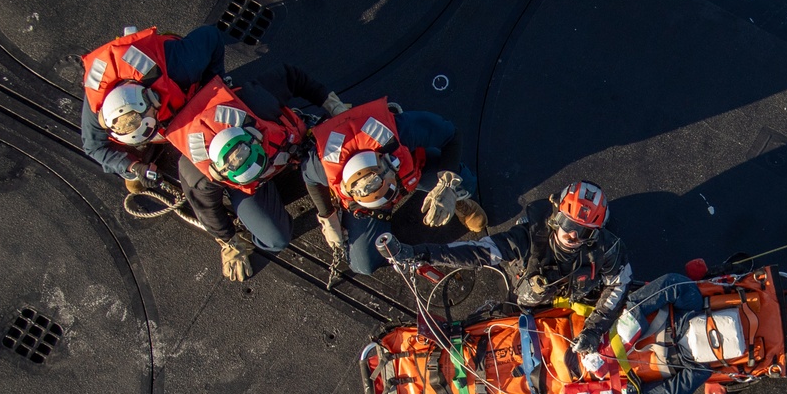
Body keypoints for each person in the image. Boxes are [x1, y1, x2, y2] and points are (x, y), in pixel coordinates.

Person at [385, 181, 631, 357]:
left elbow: (619, 283)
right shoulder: (527, 239)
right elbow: (475, 252)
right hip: (529, 299)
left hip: (577, 298)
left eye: (583, 231)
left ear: (594, 234)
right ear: (557, 215)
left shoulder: (606, 249)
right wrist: (420, 254)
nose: (572, 235)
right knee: (532, 292)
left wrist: (594, 330)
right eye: (567, 223)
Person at [164, 63, 351, 282]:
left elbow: (292, 75)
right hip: (250, 185)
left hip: (287, 149)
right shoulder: (201, 175)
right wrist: (228, 240)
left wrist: (332, 104)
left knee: (349, 155)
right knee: (275, 239)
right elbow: (206, 208)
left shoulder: (258, 101)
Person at [302, 100, 488, 276]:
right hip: (370, 202)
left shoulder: (402, 131)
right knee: (363, 264)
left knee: (465, 183)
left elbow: (452, 134)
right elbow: (309, 178)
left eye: (391, 195)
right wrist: (328, 218)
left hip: (409, 171)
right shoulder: (323, 163)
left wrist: (446, 185)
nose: (393, 200)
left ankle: (457, 202)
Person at [80, 25, 227, 193]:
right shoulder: (96, 104)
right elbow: (93, 147)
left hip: (168, 68)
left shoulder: (183, 67)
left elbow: (211, 35)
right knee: (135, 183)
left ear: (153, 99)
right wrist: (133, 167)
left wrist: (215, 83)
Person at [610, 273, 714, 394]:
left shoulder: (700, 368)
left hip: (676, 349)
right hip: (677, 345)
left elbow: (673, 284)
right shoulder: (699, 368)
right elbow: (672, 284)